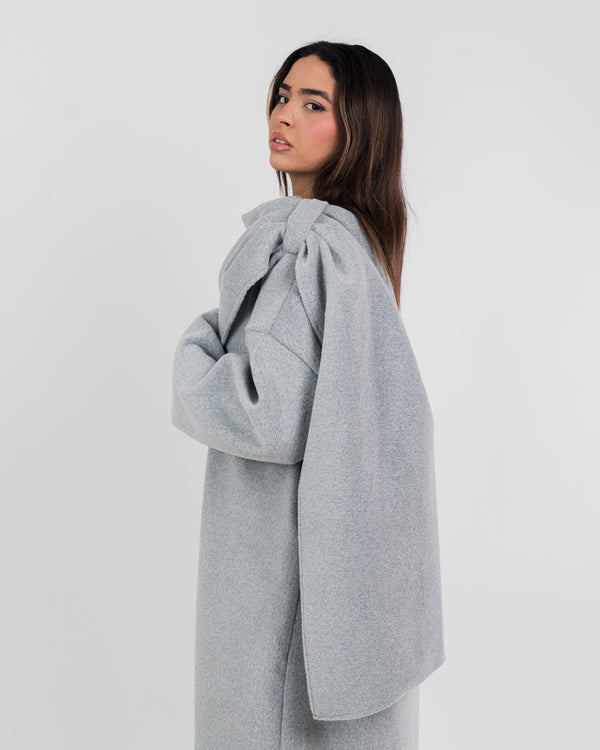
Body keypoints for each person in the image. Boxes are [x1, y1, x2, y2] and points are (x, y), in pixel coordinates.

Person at [171, 41, 445, 749]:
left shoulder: (306, 254)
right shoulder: (356, 250)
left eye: (313, 104)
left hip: (276, 591)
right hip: (316, 583)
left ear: (359, 131)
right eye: (283, 95)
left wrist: (197, 348)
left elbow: (265, 413)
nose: (284, 114)